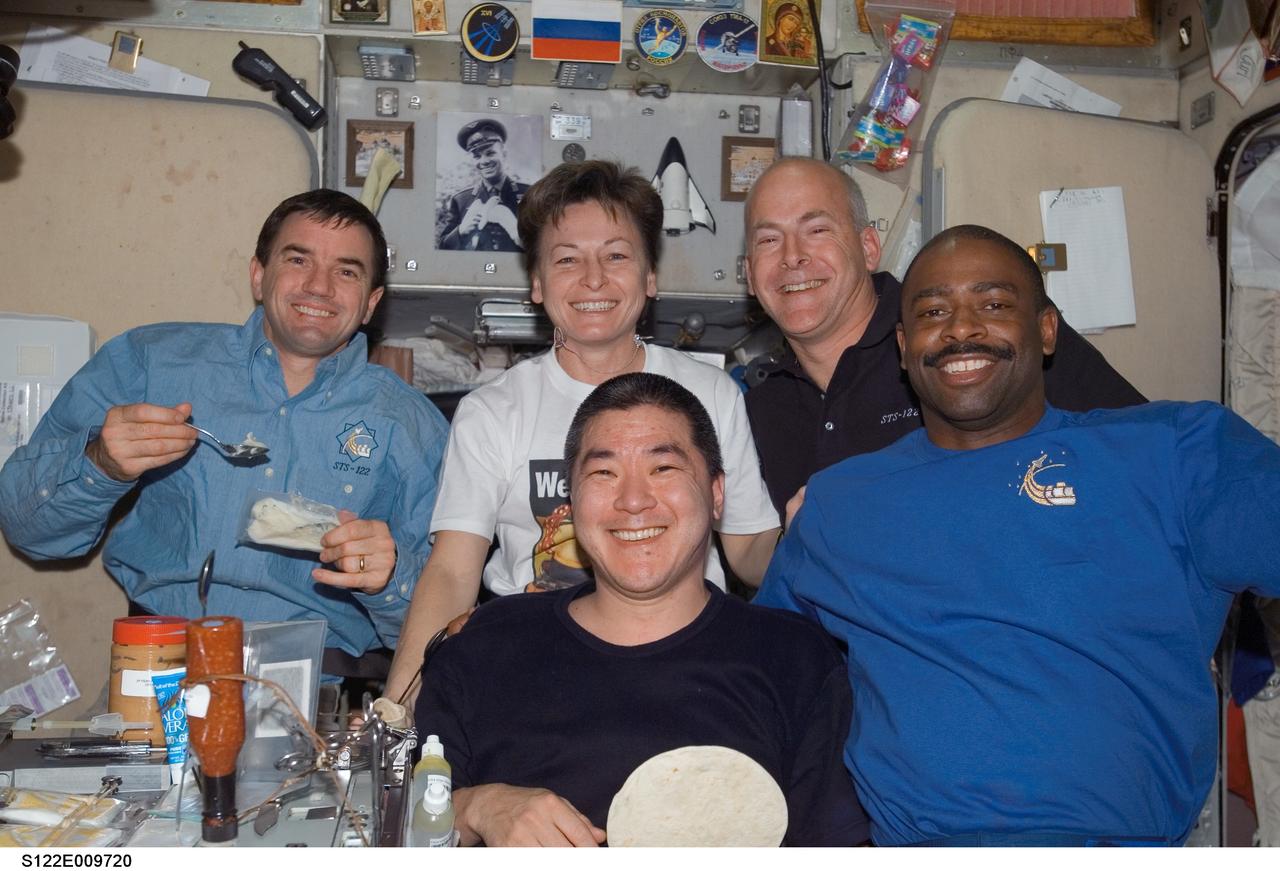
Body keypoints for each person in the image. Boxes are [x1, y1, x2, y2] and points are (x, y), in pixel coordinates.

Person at [755, 225, 1280, 846]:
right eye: (932, 312)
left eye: (995, 304)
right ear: (902, 346)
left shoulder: (1174, 452)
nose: (961, 328)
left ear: (1047, 329)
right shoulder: (839, 502)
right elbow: (756, 674)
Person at [386, 160, 780, 706]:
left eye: (616, 256)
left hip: (688, 670)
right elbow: (452, 572)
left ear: (650, 277)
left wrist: (820, 539)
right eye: (567, 259)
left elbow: (750, 548)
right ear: (537, 284)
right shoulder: (492, 411)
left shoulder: (710, 393)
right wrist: (397, 716)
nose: (594, 279)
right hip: (536, 676)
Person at [415, 372, 867, 846]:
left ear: (716, 494)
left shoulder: (795, 657)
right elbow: (402, 820)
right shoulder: (485, 644)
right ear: (571, 500)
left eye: (663, 468)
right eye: (603, 473)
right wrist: (477, 807)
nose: (632, 501)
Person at [0, 190, 449, 663]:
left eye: (346, 271)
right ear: (258, 275)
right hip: (157, 664)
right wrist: (99, 465)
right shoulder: (150, 362)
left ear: (371, 303)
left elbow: (445, 626)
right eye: (298, 259)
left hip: (318, 683)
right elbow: (28, 531)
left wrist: (390, 576)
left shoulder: (411, 424)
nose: (319, 286)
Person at [743, 157, 1146, 517]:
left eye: (817, 229)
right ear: (748, 272)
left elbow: (1140, 454)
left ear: (868, 248)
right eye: (768, 240)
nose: (792, 256)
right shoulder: (761, 408)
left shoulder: (966, 341)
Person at [438, 118, 528, 252]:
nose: (484, 161)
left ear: (504, 154)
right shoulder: (461, 200)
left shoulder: (530, 193)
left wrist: (515, 230)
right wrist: (461, 231)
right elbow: (443, 247)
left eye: (490, 153)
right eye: (477, 156)